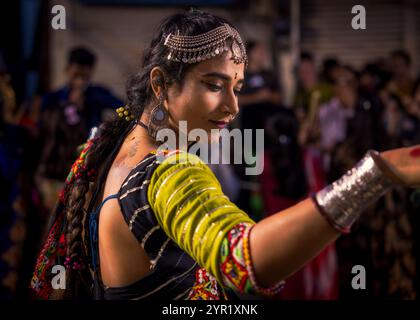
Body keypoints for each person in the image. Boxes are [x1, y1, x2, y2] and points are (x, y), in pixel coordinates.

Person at [31, 10, 420, 300]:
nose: (233, 107)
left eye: (237, 87)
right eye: (214, 85)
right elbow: (244, 258)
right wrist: (374, 174)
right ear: (161, 83)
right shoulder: (169, 173)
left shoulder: (105, 146)